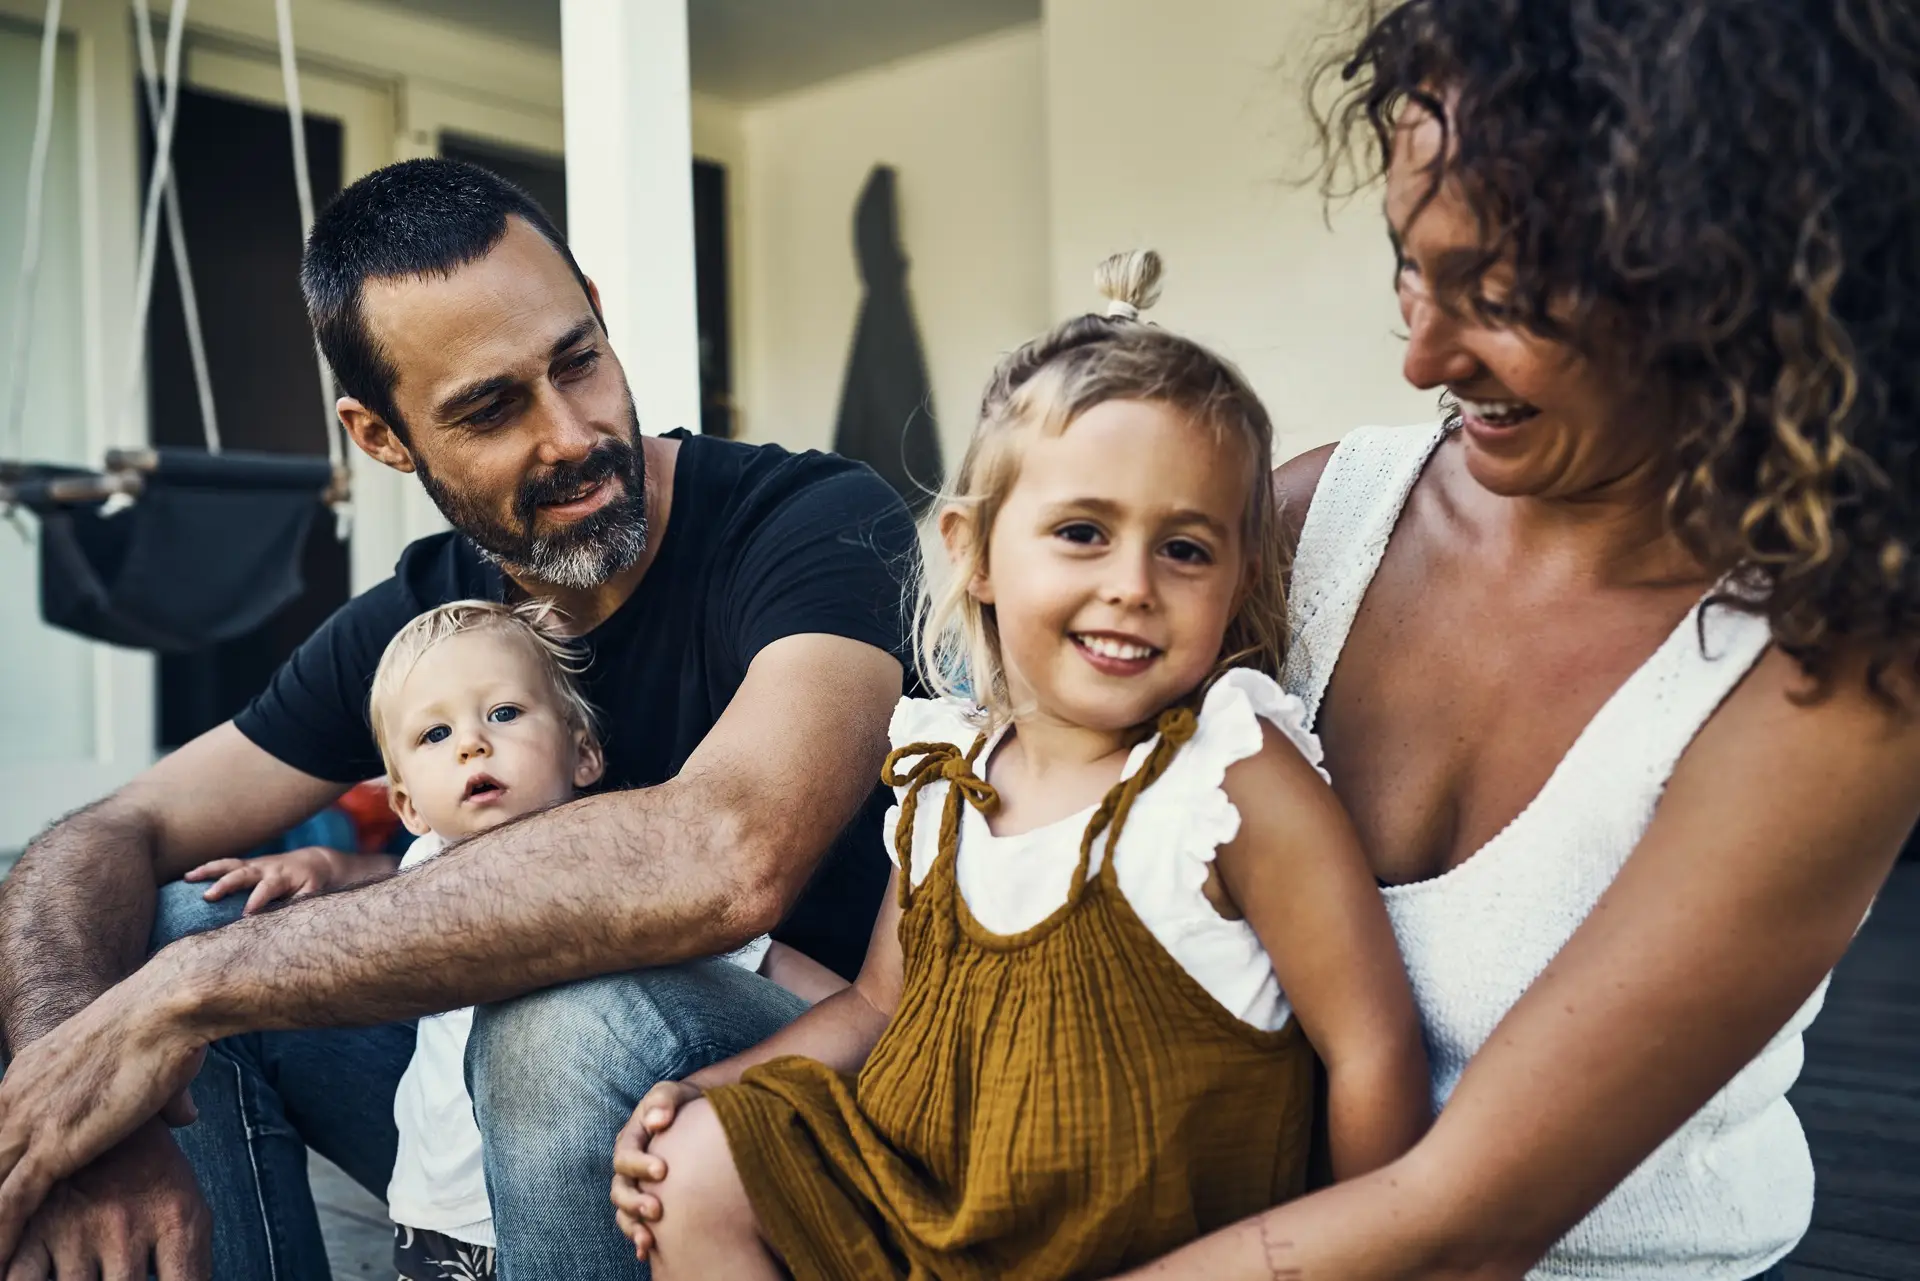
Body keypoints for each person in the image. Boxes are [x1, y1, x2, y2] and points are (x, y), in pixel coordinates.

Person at [1092, 3, 1920, 1280]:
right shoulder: (1316, 519)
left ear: (1721, 276)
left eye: (1502, 295)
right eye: (1408, 270)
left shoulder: (1833, 677)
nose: (1423, 355)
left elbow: (1457, 1230)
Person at [0, 157, 913, 1281]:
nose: (573, 434)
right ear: (382, 437)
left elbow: (729, 851)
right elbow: (104, 834)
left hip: (808, 1094)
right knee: (172, 924)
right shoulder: (425, 621)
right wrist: (77, 1075)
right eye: (490, 408)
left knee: (546, 1017)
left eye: (580, 361)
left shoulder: (810, 524)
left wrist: (179, 1002)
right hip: (491, 1121)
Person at [606, 252, 1432, 1279]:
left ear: (1240, 574)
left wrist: (1365, 1252)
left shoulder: (1226, 780)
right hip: (930, 1224)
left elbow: (1372, 1048)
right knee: (693, 1165)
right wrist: (712, 1092)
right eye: (1083, 533)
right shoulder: (947, 777)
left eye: (1185, 550)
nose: (1133, 585)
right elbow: (875, 1006)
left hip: (1146, 1253)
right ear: (976, 552)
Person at [184, 598, 845, 1279]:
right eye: (434, 734)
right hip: (439, 1214)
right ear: (408, 805)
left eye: (503, 713)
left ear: (583, 752)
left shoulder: (619, 867)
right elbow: (391, 879)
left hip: (575, 1205)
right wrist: (326, 867)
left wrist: (868, 1021)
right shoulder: (425, 858)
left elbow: (761, 956)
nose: (472, 742)